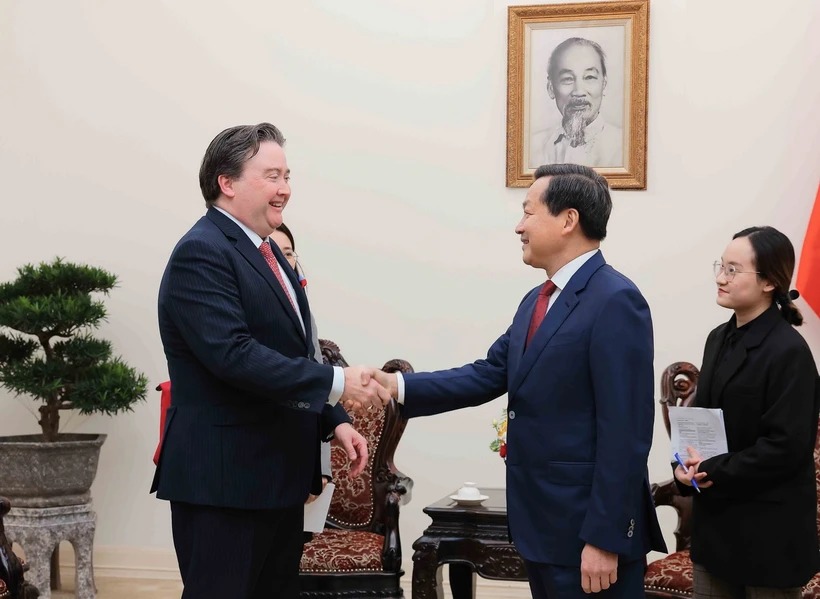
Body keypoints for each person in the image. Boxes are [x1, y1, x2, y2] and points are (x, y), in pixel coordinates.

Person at [373, 163, 666, 597]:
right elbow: (488, 373)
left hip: (587, 535)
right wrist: (397, 386)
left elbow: (626, 433)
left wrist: (605, 538)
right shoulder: (536, 300)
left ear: (568, 220)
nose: (519, 226)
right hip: (542, 528)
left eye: (528, 212)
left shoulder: (616, 299)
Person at [151, 123, 390, 599]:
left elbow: (292, 351)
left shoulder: (268, 251)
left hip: (277, 478)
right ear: (227, 182)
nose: (285, 189)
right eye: (272, 176)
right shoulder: (202, 251)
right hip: (225, 481)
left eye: (287, 176)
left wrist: (333, 420)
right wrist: (337, 382)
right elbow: (234, 356)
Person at [674, 226, 820, 598]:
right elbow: (704, 422)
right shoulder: (717, 338)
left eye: (733, 270)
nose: (720, 278)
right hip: (715, 531)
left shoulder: (789, 351)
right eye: (720, 267)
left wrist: (712, 468)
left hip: (768, 538)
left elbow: (785, 448)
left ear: (769, 281)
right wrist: (683, 467)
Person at [271, 222, 332, 501]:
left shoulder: (303, 312)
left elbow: (317, 384)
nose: (284, 261)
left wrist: (321, 468)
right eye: (273, 253)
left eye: (288, 253)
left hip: (299, 460)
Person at [530, 37, 623, 168]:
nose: (579, 91)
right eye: (567, 79)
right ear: (551, 88)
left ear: (604, 85)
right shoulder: (532, 149)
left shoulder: (624, 147)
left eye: (589, 77)